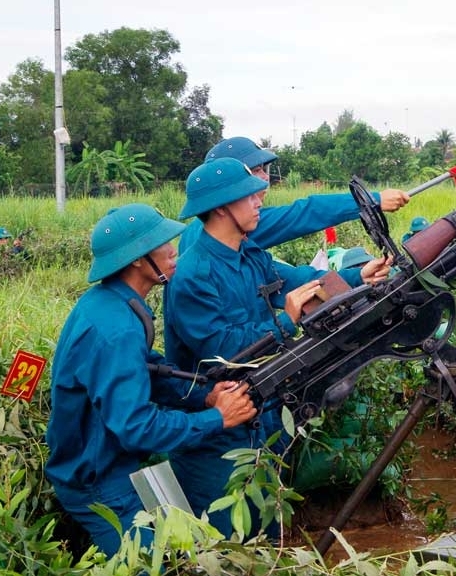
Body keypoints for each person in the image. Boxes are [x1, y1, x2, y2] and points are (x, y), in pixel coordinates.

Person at [162, 158, 393, 539]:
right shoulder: (192, 275)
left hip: (261, 413)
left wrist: (356, 277)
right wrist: (285, 320)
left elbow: (296, 282)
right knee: (229, 542)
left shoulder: (249, 254)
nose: (259, 201)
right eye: (249, 196)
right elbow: (224, 354)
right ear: (221, 207)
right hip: (217, 432)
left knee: (270, 531)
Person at [44, 204, 257, 556]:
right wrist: (216, 418)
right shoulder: (116, 330)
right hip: (96, 482)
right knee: (154, 563)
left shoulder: (114, 303)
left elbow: (149, 370)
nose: (174, 250)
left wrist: (203, 395)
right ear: (138, 260)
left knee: (181, 549)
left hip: (113, 465)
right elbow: (136, 426)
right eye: (163, 244)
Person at [178, 137, 410, 254]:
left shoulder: (200, 230)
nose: (265, 178)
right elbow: (304, 213)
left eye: (264, 170)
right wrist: (372, 200)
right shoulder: (231, 225)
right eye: (255, 171)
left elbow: (265, 270)